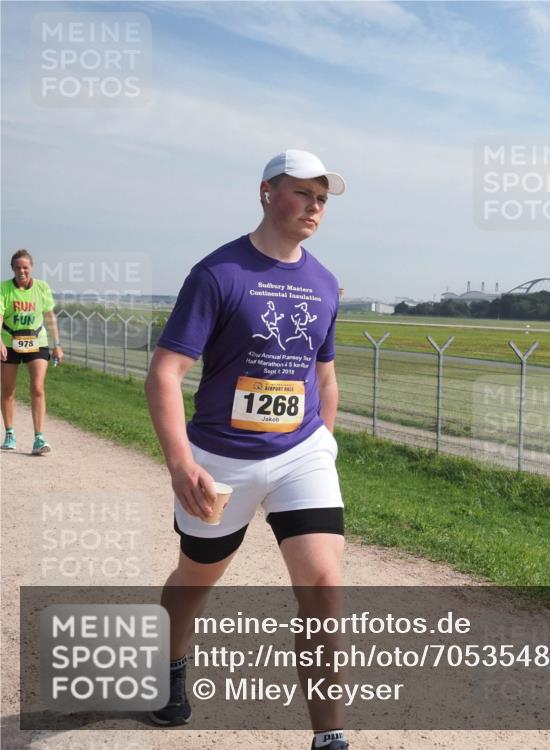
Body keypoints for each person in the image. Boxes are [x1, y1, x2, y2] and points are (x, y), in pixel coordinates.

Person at [145, 150, 349, 749]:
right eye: (303, 193)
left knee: (324, 588)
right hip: (221, 462)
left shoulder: (324, 282)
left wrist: (323, 445)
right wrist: (182, 463)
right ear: (266, 192)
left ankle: (329, 739)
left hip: (301, 455)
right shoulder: (218, 274)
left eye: (323, 198)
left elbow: (326, 376)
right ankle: (172, 665)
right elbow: (165, 373)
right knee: (196, 578)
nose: (315, 206)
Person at [1, 249, 63, 455]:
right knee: (8, 390)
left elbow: (50, 317)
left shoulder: (42, 288)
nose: (21, 271)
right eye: (18, 267)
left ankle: (39, 437)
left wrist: (57, 344)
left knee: (37, 387)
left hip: (37, 341)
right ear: (12, 268)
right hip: (10, 342)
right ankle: (9, 433)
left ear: (31, 268)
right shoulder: (4, 289)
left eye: (25, 267)